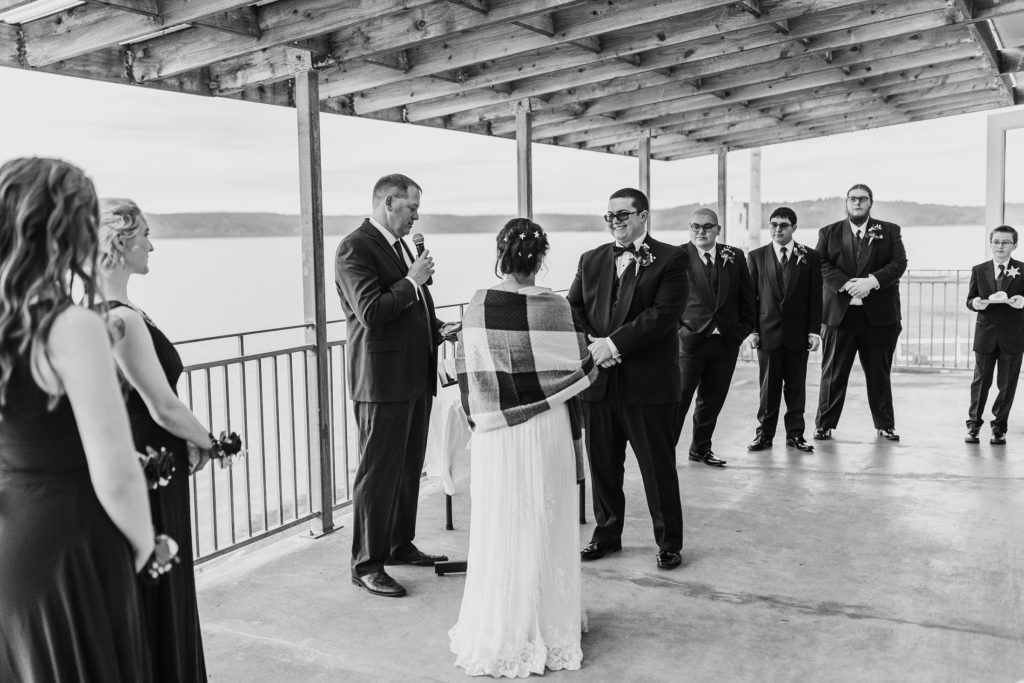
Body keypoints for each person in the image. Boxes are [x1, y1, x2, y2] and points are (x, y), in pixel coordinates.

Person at [0, 157, 158, 680]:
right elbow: (114, 469)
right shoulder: (69, 325)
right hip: (70, 538)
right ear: (66, 229)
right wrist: (144, 545)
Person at [450, 218, 596, 677]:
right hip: (546, 424)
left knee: (501, 521)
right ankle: (551, 622)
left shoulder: (478, 306)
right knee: (546, 519)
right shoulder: (554, 306)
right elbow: (575, 363)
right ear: (541, 258)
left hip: (496, 430)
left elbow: (468, 368)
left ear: (500, 254)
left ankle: (502, 624)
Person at [95, 198, 219, 682]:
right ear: (121, 243)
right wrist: (210, 442)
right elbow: (161, 404)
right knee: (156, 579)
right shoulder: (119, 318)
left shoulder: (112, 311)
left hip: (149, 458)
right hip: (148, 468)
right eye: (144, 233)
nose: (152, 243)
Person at [335, 173, 455, 598]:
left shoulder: (401, 246)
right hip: (381, 382)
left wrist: (438, 327)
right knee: (378, 474)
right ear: (388, 202)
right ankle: (366, 563)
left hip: (414, 377)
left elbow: (409, 309)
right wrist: (413, 280)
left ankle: (399, 544)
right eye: (411, 207)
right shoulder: (355, 247)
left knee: (408, 470)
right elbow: (371, 311)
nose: (417, 216)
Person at [568, 187, 688, 570]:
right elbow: (572, 306)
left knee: (657, 467)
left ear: (643, 216)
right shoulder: (590, 259)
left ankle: (669, 542)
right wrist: (592, 344)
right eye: (610, 216)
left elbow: (663, 315)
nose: (615, 222)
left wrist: (613, 345)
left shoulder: (672, 258)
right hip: (599, 384)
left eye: (622, 214)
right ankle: (607, 534)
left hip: (648, 384)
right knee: (602, 464)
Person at [814, 184, 907, 442]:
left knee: (879, 373)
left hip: (878, 318)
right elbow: (820, 263)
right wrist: (848, 285)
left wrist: (872, 281)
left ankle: (885, 425)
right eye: (853, 199)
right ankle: (824, 425)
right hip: (839, 317)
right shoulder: (828, 232)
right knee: (833, 373)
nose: (857, 203)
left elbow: (899, 263)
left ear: (870, 203)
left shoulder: (889, 231)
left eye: (862, 199)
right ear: (846, 202)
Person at [675, 207, 756, 467]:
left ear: (717, 229)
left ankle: (700, 449)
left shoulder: (734, 256)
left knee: (712, 401)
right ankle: (664, 452)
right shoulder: (677, 256)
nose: (701, 231)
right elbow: (666, 301)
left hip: (725, 343)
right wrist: (680, 332)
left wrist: (740, 331)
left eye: (707, 226)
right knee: (678, 402)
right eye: (696, 226)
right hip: (689, 343)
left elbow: (748, 299)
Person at [746, 207, 822, 453]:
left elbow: (815, 298)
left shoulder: (810, 257)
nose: (778, 229)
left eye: (784, 225)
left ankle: (795, 435)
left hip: (798, 335)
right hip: (767, 334)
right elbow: (751, 299)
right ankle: (764, 435)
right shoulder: (756, 256)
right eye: (774, 224)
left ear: (794, 228)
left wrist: (814, 331)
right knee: (767, 390)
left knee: (796, 388)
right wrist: (753, 330)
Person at [964, 225, 1024, 445]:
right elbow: (970, 299)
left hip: (1014, 335)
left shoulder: (1023, 269)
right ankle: (973, 425)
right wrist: (975, 303)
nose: (1000, 246)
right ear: (991, 244)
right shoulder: (979, 269)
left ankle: (999, 427)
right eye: (997, 241)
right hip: (986, 335)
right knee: (980, 382)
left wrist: (1022, 302)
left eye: (1006, 242)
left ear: (1015, 245)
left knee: (1007, 384)